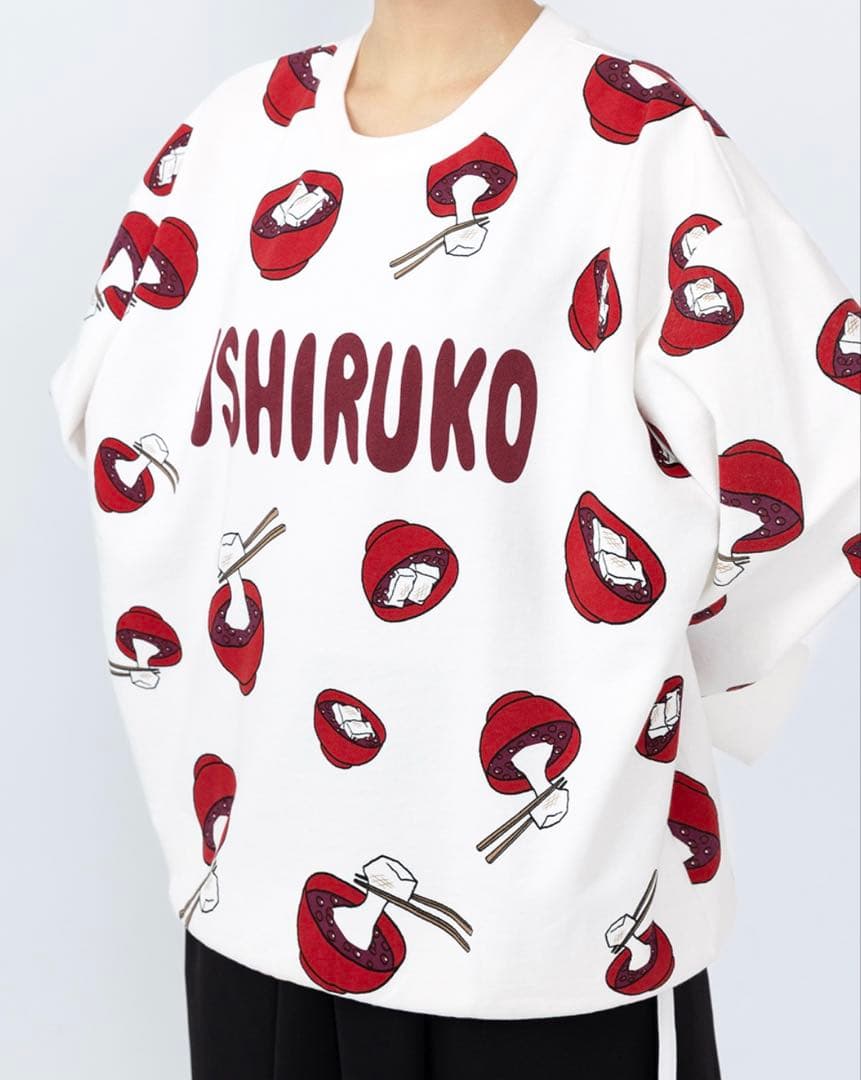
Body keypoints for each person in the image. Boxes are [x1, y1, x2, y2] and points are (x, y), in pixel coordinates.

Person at [49, 2, 860, 1077]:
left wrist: (647, 685)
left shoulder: (635, 148)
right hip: (255, 913)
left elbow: (811, 467)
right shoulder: (225, 144)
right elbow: (121, 440)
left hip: (558, 956)